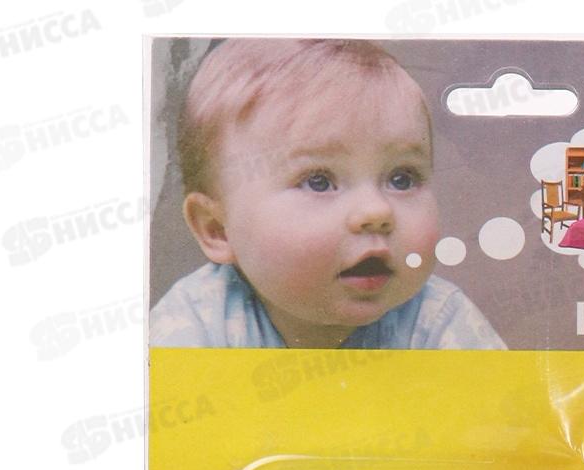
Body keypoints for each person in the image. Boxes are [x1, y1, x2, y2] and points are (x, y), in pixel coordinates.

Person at [151, 39, 505, 350]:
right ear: (217, 229)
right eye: (319, 181)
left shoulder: (437, 320)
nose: (376, 211)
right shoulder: (193, 323)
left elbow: (507, 408)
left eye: (401, 178)